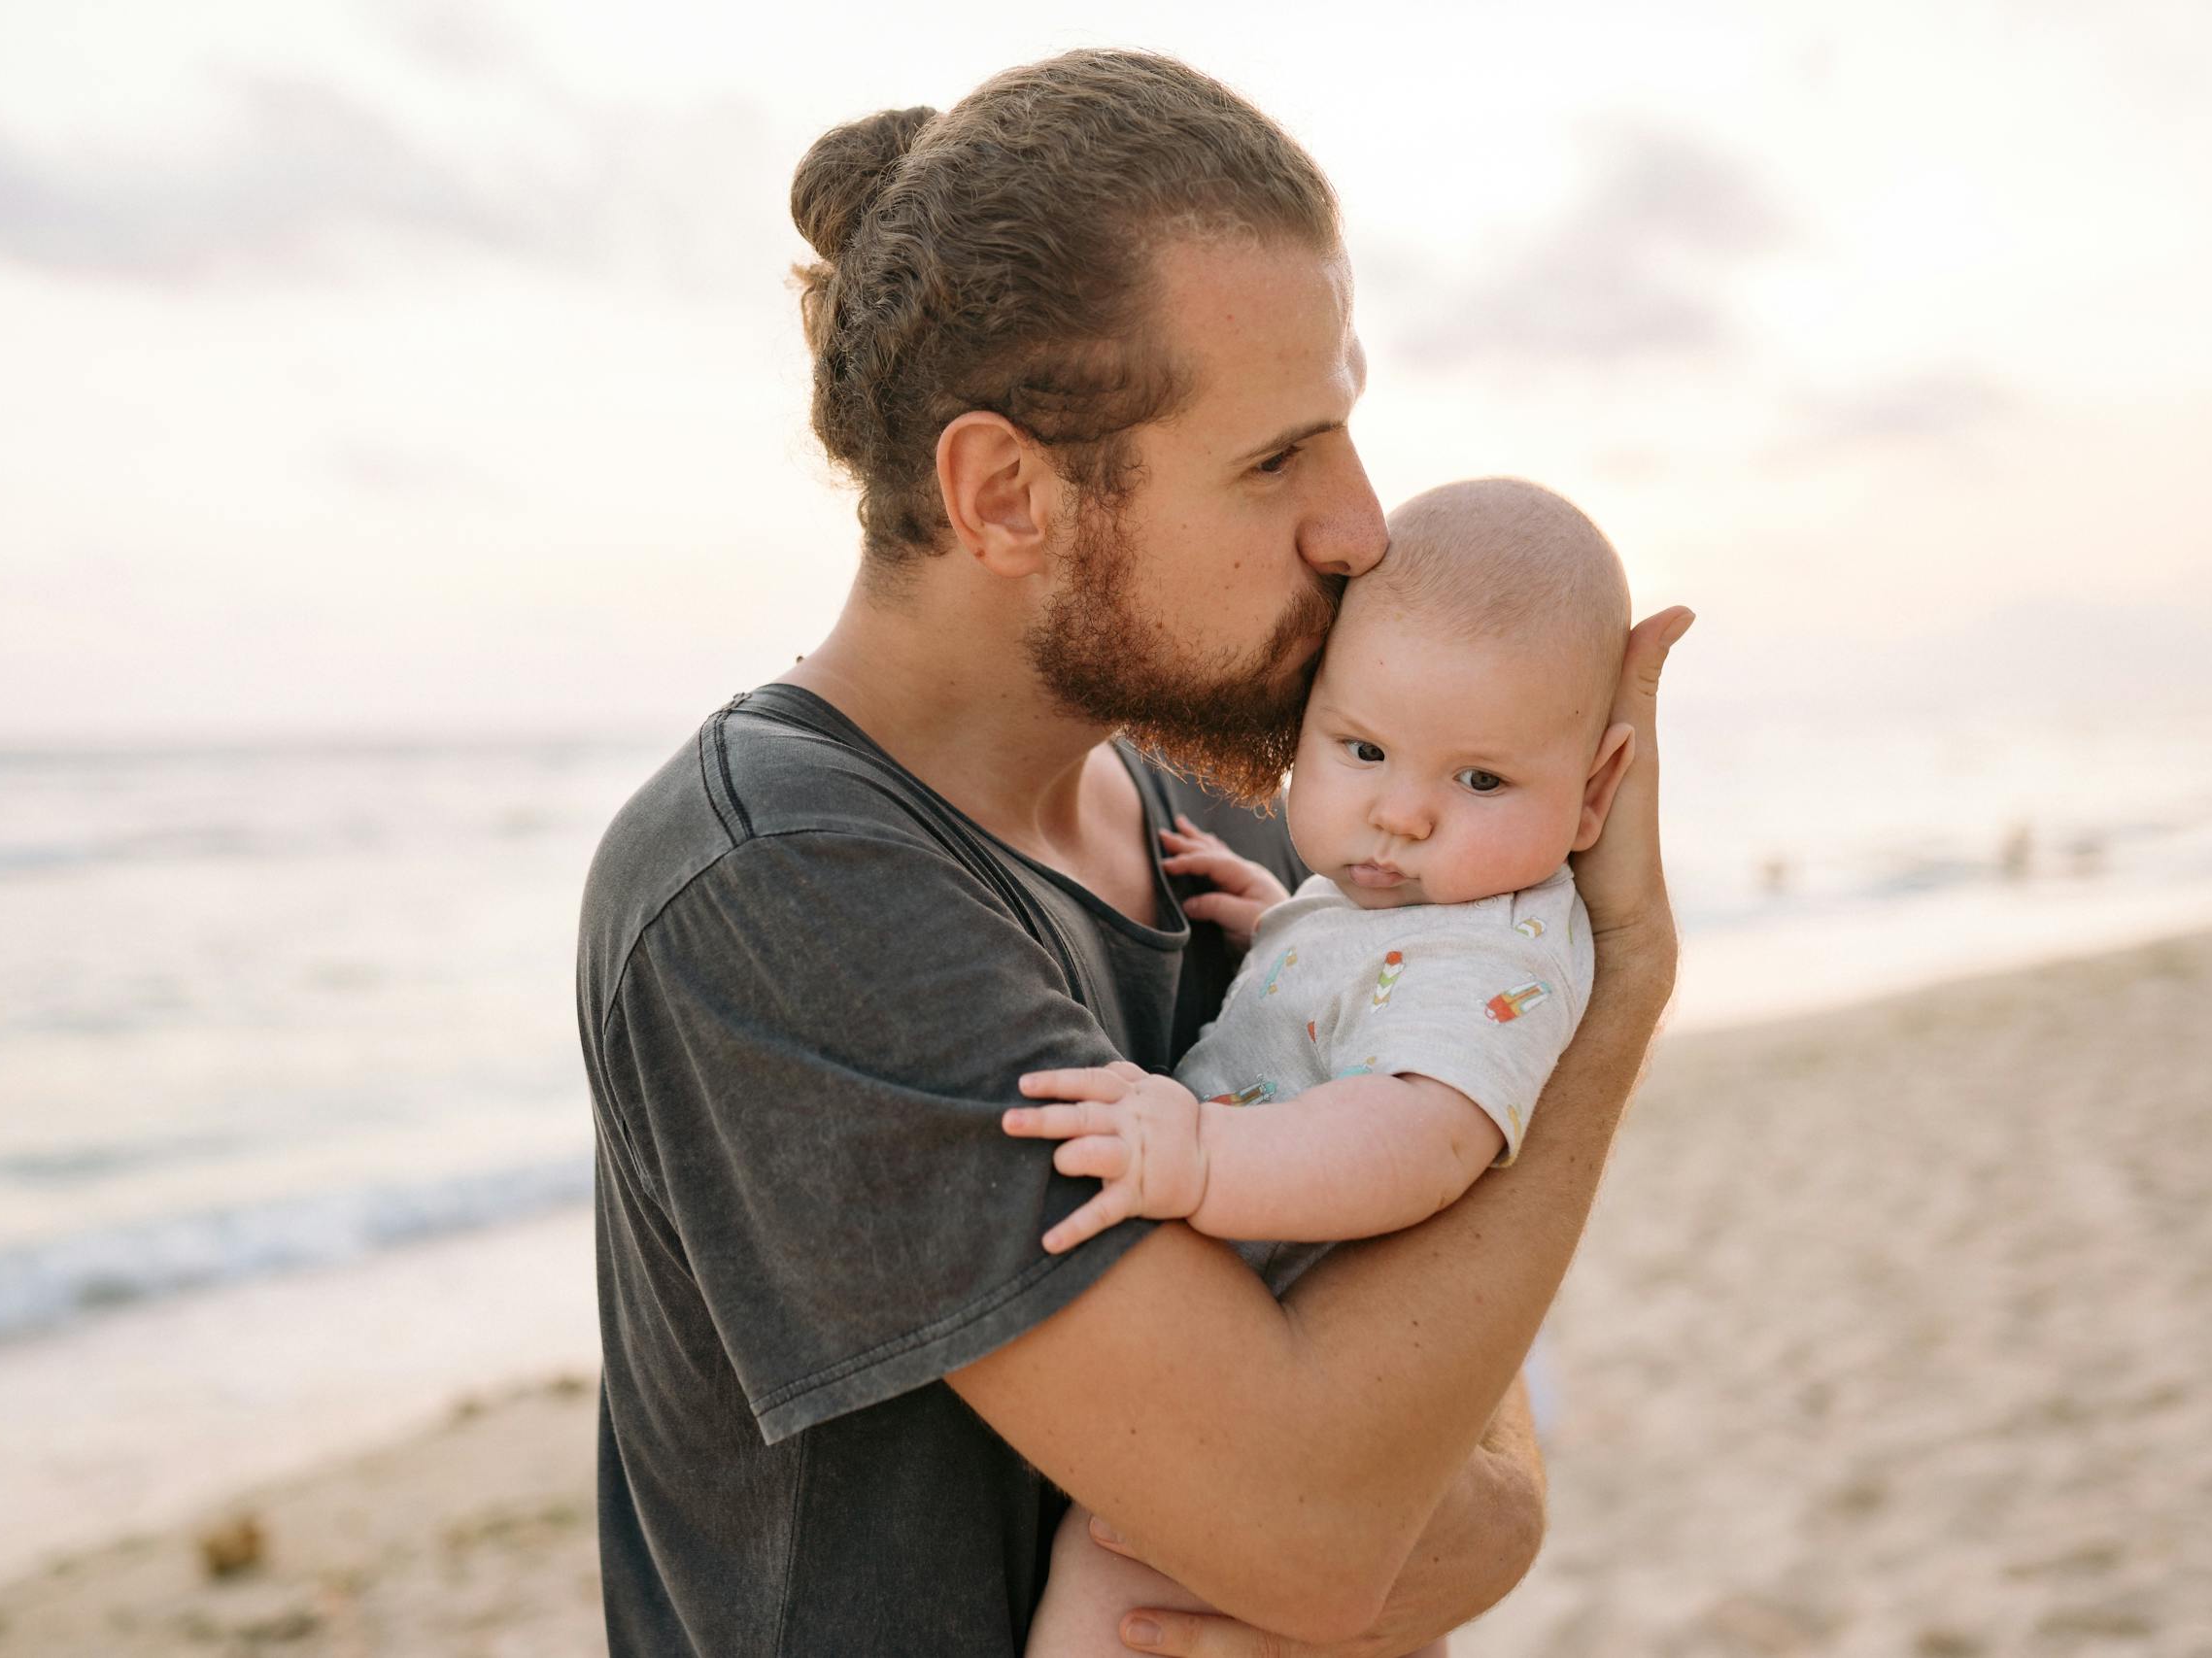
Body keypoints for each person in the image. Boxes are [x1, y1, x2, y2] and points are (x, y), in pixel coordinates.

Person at [575, 49, 1691, 1656]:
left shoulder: (1247, 818)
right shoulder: (777, 888)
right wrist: (1622, 981)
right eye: (1277, 457)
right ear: (1005, 494)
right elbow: (1323, 1522)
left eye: (1346, 428)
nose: (1363, 524)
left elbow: (1451, 1392)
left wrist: (1479, 1514)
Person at [1007, 478, 1636, 1656]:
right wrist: (1283, 918)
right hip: (1291, 1388)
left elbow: (1412, 1143)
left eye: (1480, 780)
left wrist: (1199, 1158)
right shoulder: (1393, 902)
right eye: (1361, 749)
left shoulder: (1501, 949)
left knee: (1109, 1591)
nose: (1400, 816)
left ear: (1593, 792)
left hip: (1306, 1388)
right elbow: (1362, 990)